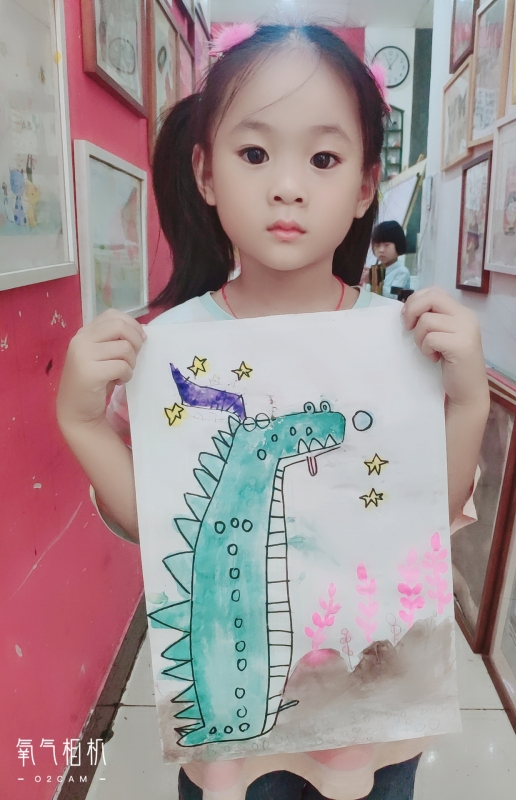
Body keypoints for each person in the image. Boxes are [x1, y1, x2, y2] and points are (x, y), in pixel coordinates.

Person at [56, 23, 490, 800]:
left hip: (366, 726)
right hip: (235, 740)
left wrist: (469, 400)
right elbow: (160, 527)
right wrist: (83, 423)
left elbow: (424, 515)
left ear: (365, 185)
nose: (287, 186)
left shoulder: (401, 342)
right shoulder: (169, 351)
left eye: (323, 159)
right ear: (205, 171)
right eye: (254, 153)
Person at [371, 221, 411, 299]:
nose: (381, 250)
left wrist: (373, 280)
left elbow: (394, 295)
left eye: (386, 245)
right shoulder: (375, 269)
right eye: (377, 245)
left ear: (398, 245)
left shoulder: (402, 272)